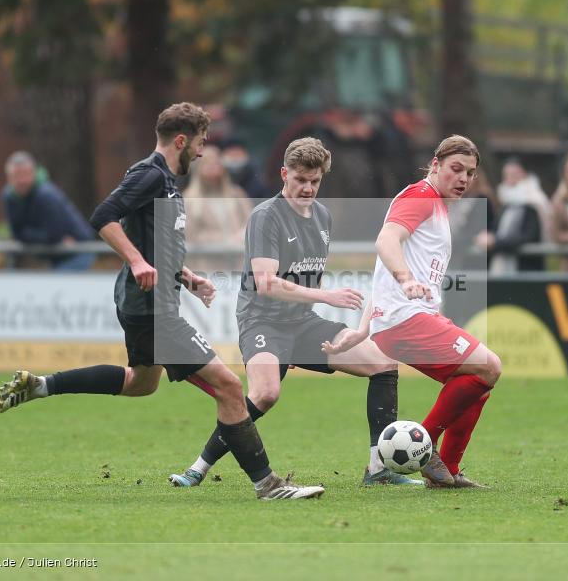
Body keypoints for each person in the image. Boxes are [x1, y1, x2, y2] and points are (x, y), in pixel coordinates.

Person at [0, 103, 324, 501]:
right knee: (230, 387)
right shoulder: (150, 174)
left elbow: (152, 239)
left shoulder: (164, 180)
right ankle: (267, 485)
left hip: (149, 301)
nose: (202, 152)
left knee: (140, 383)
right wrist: (134, 261)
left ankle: (42, 386)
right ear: (181, 140)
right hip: (152, 308)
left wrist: (185, 277)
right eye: (200, 143)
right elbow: (104, 216)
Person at [169, 137, 422, 488]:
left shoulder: (322, 216)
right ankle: (198, 468)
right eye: (300, 180)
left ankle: (378, 468)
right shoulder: (265, 217)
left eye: (314, 181)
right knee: (265, 395)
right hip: (262, 322)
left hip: (302, 325)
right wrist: (326, 296)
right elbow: (267, 283)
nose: (307, 188)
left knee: (383, 365)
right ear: (284, 174)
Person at [329, 135, 502, 489]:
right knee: (489, 365)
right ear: (435, 165)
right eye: (456, 169)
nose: (463, 179)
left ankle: (446, 472)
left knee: (476, 383)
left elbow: (380, 270)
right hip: (406, 319)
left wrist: (366, 326)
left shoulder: (437, 205)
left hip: (402, 318)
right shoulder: (421, 195)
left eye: (469, 173)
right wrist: (405, 280)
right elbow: (385, 242)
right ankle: (426, 445)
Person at [1, 152, 96, 271]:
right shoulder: (9, 197)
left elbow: (52, 235)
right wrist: (51, 238)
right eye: (17, 175)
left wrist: (27, 235)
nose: (22, 180)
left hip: (77, 250)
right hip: (57, 252)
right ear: (9, 178)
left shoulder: (46, 195)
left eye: (26, 174)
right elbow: (17, 232)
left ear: (34, 173)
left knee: (60, 286)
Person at [182, 145, 253, 273]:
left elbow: (252, 222)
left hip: (238, 265)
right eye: (207, 164)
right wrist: (224, 239)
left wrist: (242, 235)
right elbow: (189, 235)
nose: (212, 168)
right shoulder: (189, 200)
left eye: (215, 163)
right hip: (207, 269)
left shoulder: (236, 194)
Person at [476, 157, 550, 273]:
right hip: (503, 265)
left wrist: (495, 242)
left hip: (526, 268)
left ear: (524, 175)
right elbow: (497, 229)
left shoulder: (533, 203)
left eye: (514, 174)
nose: (510, 179)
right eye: (506, 175)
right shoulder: (507, 204)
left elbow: (528, 236)